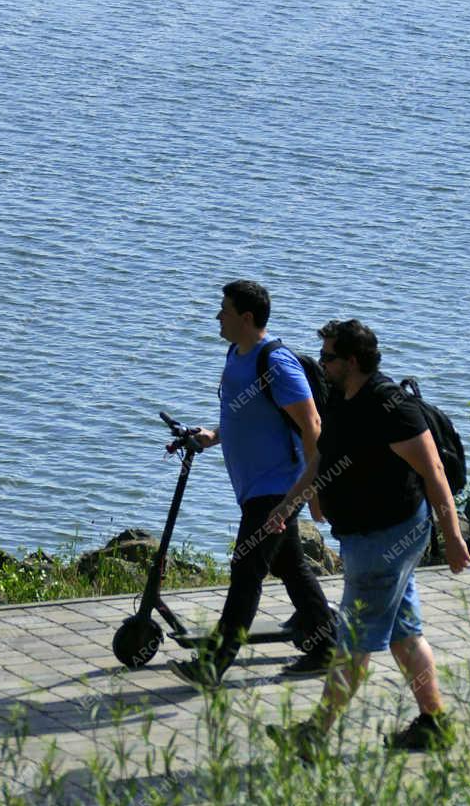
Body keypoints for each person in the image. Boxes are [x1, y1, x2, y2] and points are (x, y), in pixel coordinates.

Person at [266, 318, 470, 759]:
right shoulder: (341, 398)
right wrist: (289, 506)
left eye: (328, 357)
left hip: (388, 538)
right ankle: (433, 723)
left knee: (353, 643)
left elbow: (434, 473)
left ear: (352, 361)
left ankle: (314, 735)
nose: (320, 364)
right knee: (402, 632)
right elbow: (320, 461)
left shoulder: (391, 407)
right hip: (364, 538)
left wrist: (452, 536)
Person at [169, 281, 337, 688]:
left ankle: (214, 665)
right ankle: (327, 646)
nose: (217, 317)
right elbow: (247, 417)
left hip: (278, 488)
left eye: (223, 310)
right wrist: (214, 435)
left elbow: (312, 424)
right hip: (254, 488)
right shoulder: (236, 355)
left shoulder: (276, 363)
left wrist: (311, 491)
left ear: (246, 318)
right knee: (289, 565)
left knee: (245, 569)